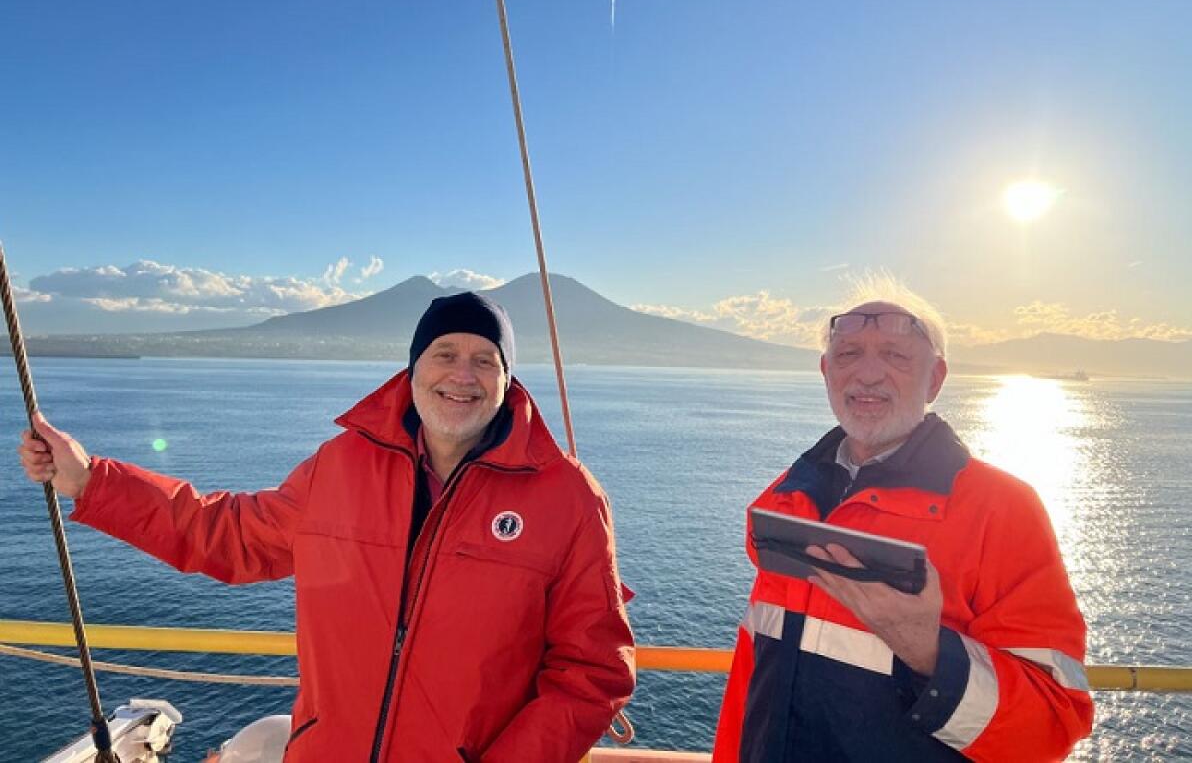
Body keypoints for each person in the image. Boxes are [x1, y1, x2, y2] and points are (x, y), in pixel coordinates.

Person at [19, 291, 635, 762]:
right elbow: (225, 533)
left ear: (508, 379)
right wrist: (90, 480)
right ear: (413, 369)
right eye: (444, 354)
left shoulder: (568, 498)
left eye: (484, 359)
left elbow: (592, 672)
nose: (462, 374)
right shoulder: (339, 468)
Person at [713, 277, 1093, 762]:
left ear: (935, 379)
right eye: (848, 355)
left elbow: (1050, 726)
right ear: (826, 372)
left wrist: (930, 653)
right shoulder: (788, 497)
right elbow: (754, 678)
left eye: (895, 356)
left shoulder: (1002, 510)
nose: (868, 375)